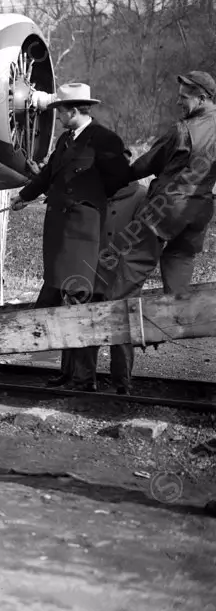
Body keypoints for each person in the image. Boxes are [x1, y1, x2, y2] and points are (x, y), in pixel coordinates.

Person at [11, 83, 131, 391]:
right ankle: (68, 374)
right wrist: (24, 196)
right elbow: (49, 173)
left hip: (83, 234)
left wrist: (90, 199)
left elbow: (120, 177)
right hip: (59, 235)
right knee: (67, 300)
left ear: (74, 111)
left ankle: (83, 378)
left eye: (60, 111)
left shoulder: (105, 140)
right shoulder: (66, 140)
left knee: (80, 301)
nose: (58, 117)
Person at [103, 71, 216, 300]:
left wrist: (117, 178)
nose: (178, 102)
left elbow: (148, 162)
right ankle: (178, 315)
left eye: (184, 98)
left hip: (168, 206)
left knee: (136, 256)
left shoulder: (183, 130)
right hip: (201, 208)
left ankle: (117, 317)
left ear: (202, 98)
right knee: (180, 256)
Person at [83, 180, 148, 394]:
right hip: (90, 271)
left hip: (122, 276)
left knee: (122, 330)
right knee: (86, 326)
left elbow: (145, 241)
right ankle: (84, 381)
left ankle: (121, 384)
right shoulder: (94, 190)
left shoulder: (141, 196)